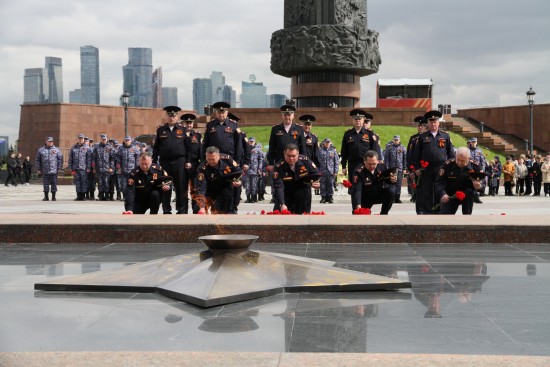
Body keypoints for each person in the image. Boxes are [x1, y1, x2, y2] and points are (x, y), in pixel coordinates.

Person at [410, 110, 455, 214]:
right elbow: (416, 154)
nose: (433, 124)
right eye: (431, 122)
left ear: (438, 123)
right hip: (426, 169)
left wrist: (450, 167)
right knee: (427, 190)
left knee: (439, 189)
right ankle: (427, 211)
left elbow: (451, 154)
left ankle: (439, 209)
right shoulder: (422, 137)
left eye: (435, 122)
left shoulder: (445, 136)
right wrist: (416, 168)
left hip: (441, 168)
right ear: (428, 123)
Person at [340, 109, 380, 210]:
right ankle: (356, 209)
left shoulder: (370, 134)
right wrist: (344, 166)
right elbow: (344, 151)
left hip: (366, 165)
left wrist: (375, 166)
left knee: (367, 187)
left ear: (363, 120)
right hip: (353, 165)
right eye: (355, 119)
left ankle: (366, 208)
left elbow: (375, 151)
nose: (358, 121)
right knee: (354, 188)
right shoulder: (348, 134)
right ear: (352, 120)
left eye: (360, 119)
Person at [152, 106, 188, 214]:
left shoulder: (183, 130)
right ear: (166, 116)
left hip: (179, 162)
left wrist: (188, 161)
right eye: (169, 115)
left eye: (174, 115)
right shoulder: (161, 130)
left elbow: (188, 147)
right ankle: (166, 209)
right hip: (165, 162)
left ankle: (181, 210)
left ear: (177, 117)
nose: (172, 118)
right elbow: (156, 148)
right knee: (165, 186)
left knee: (180, 187)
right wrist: (154, 163)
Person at [272, 144, 320, 214]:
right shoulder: (279, 167)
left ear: (298, 154)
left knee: (302, 214)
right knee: (278, 213)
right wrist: (282, 203)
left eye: (293, 156)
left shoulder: (305, 161)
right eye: (288, 156)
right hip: (286, 192)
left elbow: (316, 173)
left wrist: (317, 182)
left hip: (302, 191)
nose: (291, 158)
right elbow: (279, 187)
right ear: (284, 154)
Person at [434, 147, 483, 215]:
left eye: (462, 161)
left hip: (467, 194)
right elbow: (439, 182)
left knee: (469, 193)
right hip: (450, 194)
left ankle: (467, 218)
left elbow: (482, 183)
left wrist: (479, 186)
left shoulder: (475, 166)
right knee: (445, 216)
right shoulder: (447, 165)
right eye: (457, 160)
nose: (459, 163)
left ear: (469, 158)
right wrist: (443, 194)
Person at [195, 146, 243, 214]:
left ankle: (231, 210)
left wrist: (239, 181)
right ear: (206, 157)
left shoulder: (227, 159)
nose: (211, 161)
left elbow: (238, 171)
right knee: (196, 208)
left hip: (224, 187)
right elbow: (201, 187)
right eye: (209, 159)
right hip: (210, 189)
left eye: (213, 159)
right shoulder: (202, 168)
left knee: (221, 209)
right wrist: (202, 206)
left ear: (219, 156)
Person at [351, 150, 398, 215]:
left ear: (377, 161)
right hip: (364, 197)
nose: (372, 166)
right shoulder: (358, 171)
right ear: (364, 162)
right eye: (369, 164)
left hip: (377, 194)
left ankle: (384, 214)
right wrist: (358, 205)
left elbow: (388, 180)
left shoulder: (382, 167)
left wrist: (393, 180)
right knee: (360, 217)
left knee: (391, 192)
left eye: (374, 164)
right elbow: (357, 190)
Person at [266, 105, 307, 169]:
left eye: (289, 115)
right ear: (282, 116)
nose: (287, 117)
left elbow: (303, 147)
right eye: (285, 115)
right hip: (279, 161)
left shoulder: (299, 128)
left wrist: (304, 162)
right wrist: (271, 163)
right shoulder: (275, 129)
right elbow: (272, 147)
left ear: (293, 115)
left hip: (294, 162)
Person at [181, 113, 202, 214]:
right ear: (183, 123)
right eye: (187, 123)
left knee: (195, 188)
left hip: (194, 165)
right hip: (182, 164)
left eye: (190, 123)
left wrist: (201, 164)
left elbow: (200, 151)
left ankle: (195, 209)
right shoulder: (179, 134)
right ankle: (183, 210)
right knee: (183, 188)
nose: (189, 125)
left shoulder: (197, 135)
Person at [406, 116, 428, 202]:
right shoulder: (413, 138)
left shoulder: (427, 137)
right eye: (418, 126)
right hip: (415, 166)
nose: (419, 127)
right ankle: (415, 196)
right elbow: (410, 153)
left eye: (421, 125)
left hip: (425, 165)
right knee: (415, 183)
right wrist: (410, 168)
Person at [35, 136, 63, 201]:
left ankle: (53, 197)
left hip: (54, 170)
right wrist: (38, 169)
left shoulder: (56, 150)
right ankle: (46, 197)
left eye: (52, 141)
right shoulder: (41, 150)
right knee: (45, 184)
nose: (51, 142)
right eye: (49, 141)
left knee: (54, 183)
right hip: (45, 170)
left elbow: (60, 159)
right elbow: (37, 160)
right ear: (46, 141)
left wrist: (59, 168)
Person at [383, 135, 407, 203]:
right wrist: (386, 167)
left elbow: (405, 159)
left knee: (399, 183)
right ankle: (391, 197)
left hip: (400, 168)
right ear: (393, 140)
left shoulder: (403, 148)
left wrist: (405, 168)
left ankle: (397, 197)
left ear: (399, 140)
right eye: (395, 140)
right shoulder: (389, 148)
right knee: (391, 182)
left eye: (397, 140)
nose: (396, 141)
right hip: (391, 168)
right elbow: (386, 159)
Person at [117, 135, 141, 202]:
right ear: (124, 141)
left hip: (132, 170)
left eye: (128, 140)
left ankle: (132, 197)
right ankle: (125, 197)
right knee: (124, 185)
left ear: (131, 141)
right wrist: (119, 168)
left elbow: (137, 160)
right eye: (126, 140)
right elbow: (118, 159)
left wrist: (137, 169)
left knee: (132, 184)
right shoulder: (120, 148)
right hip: (123, 170)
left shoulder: (135, 148)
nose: (127, 142)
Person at [92, 134, 116, 201]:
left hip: (107, 169)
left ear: (106, 139)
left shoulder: (110, 147)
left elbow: (112, 159)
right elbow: (94, 158)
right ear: (101, 139)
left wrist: (111, 167)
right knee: (100, 183)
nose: (104, 140)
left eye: (105, 139)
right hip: (99, 169)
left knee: (106, 183)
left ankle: (107, 196)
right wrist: (93, 168)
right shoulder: (97, 147)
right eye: (102, 139)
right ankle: (101, 196)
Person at [68, 133, 91, 201]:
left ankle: (83, 196)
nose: (81, 140)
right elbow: (70, 159)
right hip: (76, 168)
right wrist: (71, 168)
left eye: (82, 139)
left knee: (83, 182)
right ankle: (78, 196)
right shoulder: (73, 148)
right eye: (80, 138)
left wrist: (88, 168)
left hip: (84, 169)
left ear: (84, 139)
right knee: (77, 182)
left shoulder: (87, 148)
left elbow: (89, 159)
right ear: (78, 139)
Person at [318, 138, 339, 203]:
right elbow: (318, 161)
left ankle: (330, 197)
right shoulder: (320, 150)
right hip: (322, 170)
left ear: (330, 143)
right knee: (322, 184)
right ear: (324, 143)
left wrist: (336, 171)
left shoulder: (333, 151)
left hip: (331, 170)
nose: (327, 144)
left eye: (328, 142)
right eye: (326, 142)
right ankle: (323, 197)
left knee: (330, 184)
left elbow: (336, 161)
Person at [467, 137, 486, 203]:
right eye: (472, 142)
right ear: (470, 142)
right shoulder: (467, 150)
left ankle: (476, 197)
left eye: (475, 142)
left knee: (477, 183)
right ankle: (473, 197)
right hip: (470, 168)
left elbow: (482, 161)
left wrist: (482, 169)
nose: (473, 143)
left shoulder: (479, 151)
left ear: (476, 142)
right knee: (470, 183)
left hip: (478, 169)